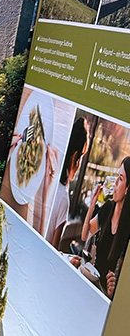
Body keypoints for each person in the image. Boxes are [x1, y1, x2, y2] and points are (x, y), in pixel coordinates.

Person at [76, 156, 129, 298]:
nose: (115, 182)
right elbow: (84, 235)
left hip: (105, 294)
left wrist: (112, 292)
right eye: (117, 176)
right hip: (91, 282)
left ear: (127, 189)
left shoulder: (127, 230)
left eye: (120, 179)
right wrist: (92, 204)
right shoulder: (108, 208)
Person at [46, 117, 88, 251]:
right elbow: (53, 250)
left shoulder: (47, 176)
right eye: (80, 158)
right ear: (74, 157)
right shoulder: (63, 198)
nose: (79, 164)